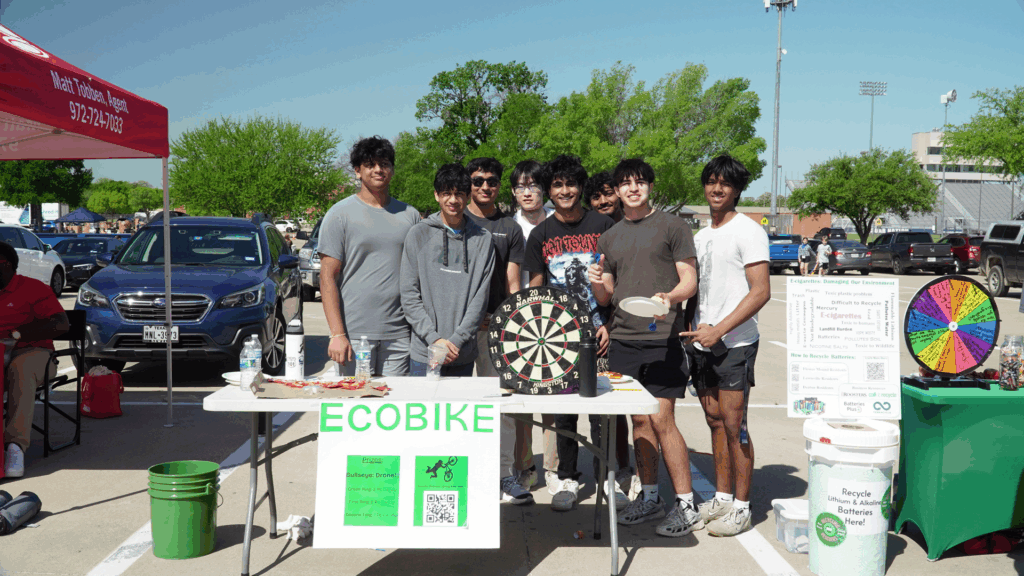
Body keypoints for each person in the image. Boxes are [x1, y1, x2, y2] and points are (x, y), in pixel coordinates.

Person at [590, 158, 701, 536]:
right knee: (638, 420)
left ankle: (686, 505)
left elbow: (690, 279)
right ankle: (650, 497)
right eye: (625, 183)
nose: (633, 188)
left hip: (662, 338)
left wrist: (669, 298)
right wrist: (594, 281)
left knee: (662, 419)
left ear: (650, 186)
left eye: (640, 182)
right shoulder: (610, 236)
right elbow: (606, 295)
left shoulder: (673, 226)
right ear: (617, 191)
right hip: (623, 339)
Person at [679, 154, 770, 537]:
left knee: (736, 426)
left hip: (735, 343)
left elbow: (761, 292)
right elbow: (696, 288)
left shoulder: (749, 231)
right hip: (700, 343)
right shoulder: (699, 235)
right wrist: (692, 325)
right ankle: (721, 495)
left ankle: (743, 507)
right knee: (713, 421)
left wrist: (720, 330)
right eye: (712, 181)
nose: (717, 189)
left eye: (726, 184)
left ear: (736, 190)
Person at [523, 154, 620, 511]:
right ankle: (566, 479)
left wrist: (608, 323)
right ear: (549, 190)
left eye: (570, 184)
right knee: (563, 414)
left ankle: (607, 479)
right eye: (557, 185)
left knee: (602, 414)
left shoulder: (604, 226)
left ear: (580, 187)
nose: (565, 191)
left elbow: (616, 280)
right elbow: (536, 290)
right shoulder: (540, 234)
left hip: (600, 333)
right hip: (559, 339)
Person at [318, 136, 421, 377]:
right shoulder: (339, 214)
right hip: (354, 335)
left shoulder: (410, 215)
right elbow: (327, 277)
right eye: (370, 164)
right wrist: (337, 334)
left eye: (384, 164)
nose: (378, 170)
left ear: (392, 170)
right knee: (355, 407)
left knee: (394, 409)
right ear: (357, 171)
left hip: (400, 334)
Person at [463, 157, 532, 506]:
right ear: (469, 184)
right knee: (457, 405)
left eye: (491, 181)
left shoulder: (510, 228)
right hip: (458, 331)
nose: (485, 187)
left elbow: (513, 280)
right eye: (478, 181)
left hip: (495, 328)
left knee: (500, 406)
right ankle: (463, 472)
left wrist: (508, 320)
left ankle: (505, 475)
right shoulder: (456, 220)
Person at [400, 163, 494, 378]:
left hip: (462, 353)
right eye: (446, 193)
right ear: (436, 196)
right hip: (425, 352)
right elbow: (409, 294)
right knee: (422, 411)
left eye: (459, 194)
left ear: (468, 196)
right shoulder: (418, 234)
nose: (453, 200)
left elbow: (480, 300)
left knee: (459, 412)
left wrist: (455, 341)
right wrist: (434, 340)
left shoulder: (483, 239)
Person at [0, 241, 70, 478]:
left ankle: (15, 446)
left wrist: (18, 334)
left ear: (5, 265)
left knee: (20, 369)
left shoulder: (33, 288)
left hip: (34, 353)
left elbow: (61, 324)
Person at [508, 160, 557, 493]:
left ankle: (554, 468)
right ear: (514, 192)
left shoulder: (560, 223)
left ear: (545, 190)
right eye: (522, 187)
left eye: (534, 185)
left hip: (555, 322)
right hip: (517, 322)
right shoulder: (507, 226)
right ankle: (525, 467)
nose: (528, 192)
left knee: (553, 401)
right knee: (520, 402)